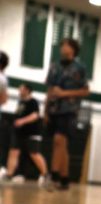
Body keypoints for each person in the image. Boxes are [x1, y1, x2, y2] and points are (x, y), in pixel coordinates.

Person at [44, 37, 90, 191]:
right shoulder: (54, 66)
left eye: (66, 45)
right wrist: (45, 110)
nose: (63, 48)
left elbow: (85, 90)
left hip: (69, 110)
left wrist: (64, 93)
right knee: (61, 145)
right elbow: (49, 90)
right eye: (62, 45)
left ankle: (54, 176)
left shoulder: (80, 67)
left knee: (59, 140)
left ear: (73, 49)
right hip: (54, 109)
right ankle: (65, 179)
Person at [0, 84, 47, 184]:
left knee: (34, 153)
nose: (19, 91)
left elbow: (35, 115)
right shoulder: (21, 102)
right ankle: (9, 174)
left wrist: (22, 121)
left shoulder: (33, 102)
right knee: (13, 152)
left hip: (32, 133)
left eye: (21, 89)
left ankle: (45, 174)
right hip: (19, 133)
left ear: (27, 90)